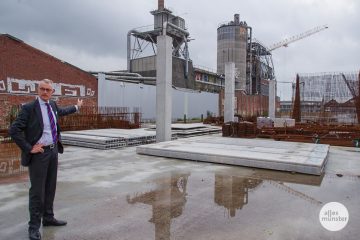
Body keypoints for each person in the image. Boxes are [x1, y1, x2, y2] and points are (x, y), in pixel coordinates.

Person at [9, 79, 83, 240]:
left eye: (48, 90)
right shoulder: (29, 108)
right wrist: (30, 148)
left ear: (52, 92)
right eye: (42, 89)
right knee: (37, 191)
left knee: (50, 186)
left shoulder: (53, 106)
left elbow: (62, 112)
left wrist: (77, 106)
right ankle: (34, 227)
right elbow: (14, 130)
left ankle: (48, 218)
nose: (44, 92)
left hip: (53, 151)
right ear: (38, 90)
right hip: (39, 154)